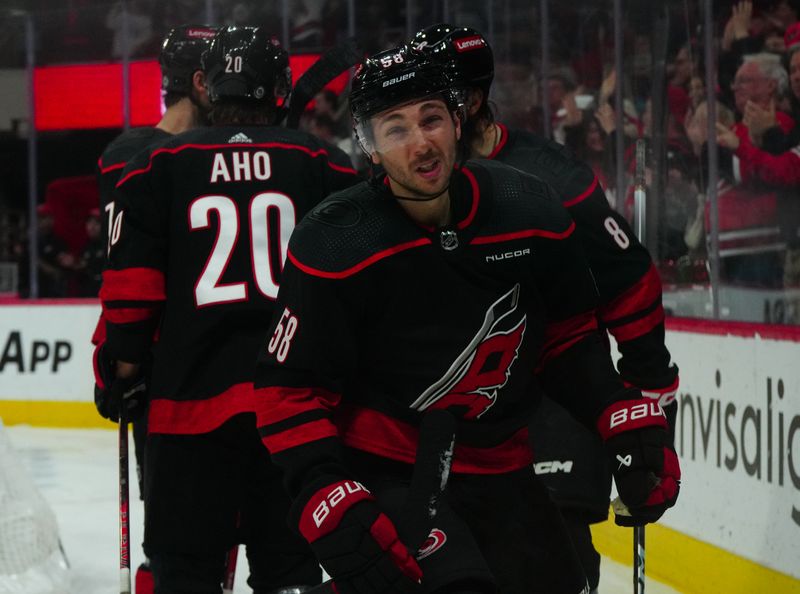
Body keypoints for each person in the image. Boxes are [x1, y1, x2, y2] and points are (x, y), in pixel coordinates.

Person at [253, 44, 680, 594]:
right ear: (369, 148)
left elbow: (566, 337)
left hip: (501, 463)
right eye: (396, 129)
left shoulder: (532, 210)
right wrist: (321, 489)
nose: (422, 142)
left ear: (458, 122)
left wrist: (615, 407)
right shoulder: (336, 240)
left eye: (432, 119)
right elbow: (288, 388)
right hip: (391, 466)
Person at [411, 24, 680, 593]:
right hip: (447, 414)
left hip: (552, 397)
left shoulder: (553, 179)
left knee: (556, 555)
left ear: (473, 102)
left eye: (430, 99)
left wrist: (647, 402)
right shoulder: (406, 181)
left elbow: (630, 282)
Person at [99, 25, 359, 594]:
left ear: (206, 86)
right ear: (279, 89)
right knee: (290, 572)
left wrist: (118, 370)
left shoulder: (153, 165)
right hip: (295, 415)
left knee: (186, 573)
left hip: (188, 415)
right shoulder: (327, 163)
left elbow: (131, 291)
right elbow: (359, 287)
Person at [92, 24, 218, 593]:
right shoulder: (154, 158)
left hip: (159, 362)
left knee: (180, 538)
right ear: (198, 83)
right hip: (179, 364)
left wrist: (119, 357)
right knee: (187, 541)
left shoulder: (124, 152)